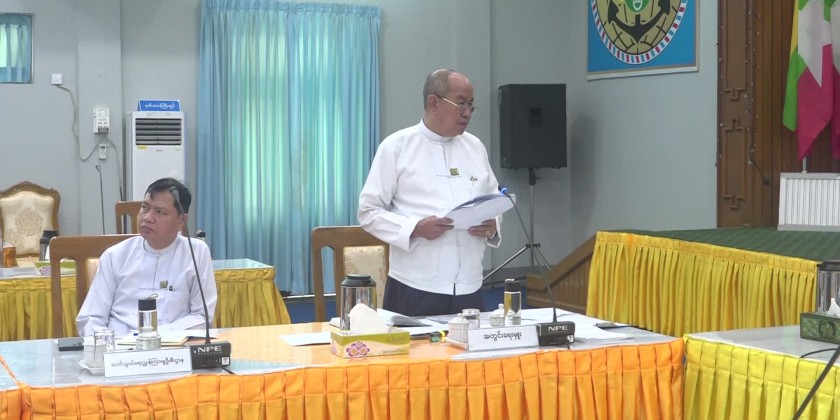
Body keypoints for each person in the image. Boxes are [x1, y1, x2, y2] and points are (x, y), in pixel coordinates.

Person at [358, 68, 501, 317]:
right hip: (415, 285)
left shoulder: (475, 147)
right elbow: (368, 212)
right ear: (433, 103)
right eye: (460, 104)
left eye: (471, 105)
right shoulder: (396, 147)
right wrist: (415, 228)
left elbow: (494, 199)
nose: (467, 113)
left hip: (470, 284)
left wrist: (493, 225)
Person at [76, 178, 216, 337]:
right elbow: (90, 318)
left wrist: (155, 336)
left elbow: (202, 316)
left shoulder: (196, 253)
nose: (147, 218)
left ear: (181, 221)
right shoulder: (115, 256)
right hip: (118, 343)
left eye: (160, 212)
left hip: (173, 345)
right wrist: (109, 343)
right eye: (145, 208)